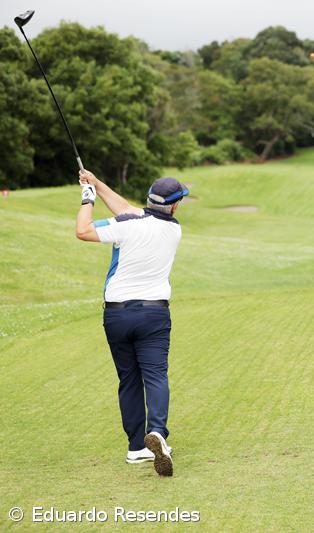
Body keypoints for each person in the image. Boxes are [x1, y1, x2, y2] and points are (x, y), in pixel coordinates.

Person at [75, 170, 189, 477]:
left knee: (129, 379)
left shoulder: (127, 225)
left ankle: (137, 448)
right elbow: (127, 210)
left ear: (150, 197)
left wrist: (89, 197)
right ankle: (158, 434)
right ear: (174, 206)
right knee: (155, 375)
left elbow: (83, 230)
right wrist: (97, 183)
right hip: (154, 314)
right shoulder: (172, 229)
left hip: (117, 314)